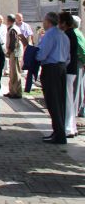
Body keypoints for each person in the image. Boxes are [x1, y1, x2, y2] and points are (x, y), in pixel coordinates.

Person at [37, 12, 70, 144]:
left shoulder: (50, 34)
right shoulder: (63, 35)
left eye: (44, 20)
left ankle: (59, 134)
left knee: (53, 101)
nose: (43, 23)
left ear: (48, 21)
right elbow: (68, 57)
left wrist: (34, 55)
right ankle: (57, 131)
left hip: (51, 68)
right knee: (60, 101)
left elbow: (42, 54)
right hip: (61, 68)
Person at [59, 12, 79, 139]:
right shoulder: (71, 34)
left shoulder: (68, 35)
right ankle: (72, 126)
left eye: (60, 22)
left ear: (64, 23)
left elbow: (67, 55)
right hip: (72, 69)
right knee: (69, 99)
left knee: (66, 99)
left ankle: (68, 128)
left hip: (68, 70)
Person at [4, 14, 24, 99]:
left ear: (9, 20)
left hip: (15, 53)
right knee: (12, 73)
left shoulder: (13, 29)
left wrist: (9, 51)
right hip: (14, 53)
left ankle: (17, 92)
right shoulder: (13, 28)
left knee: (15, 73)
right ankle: (12, 91)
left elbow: (13, 42)